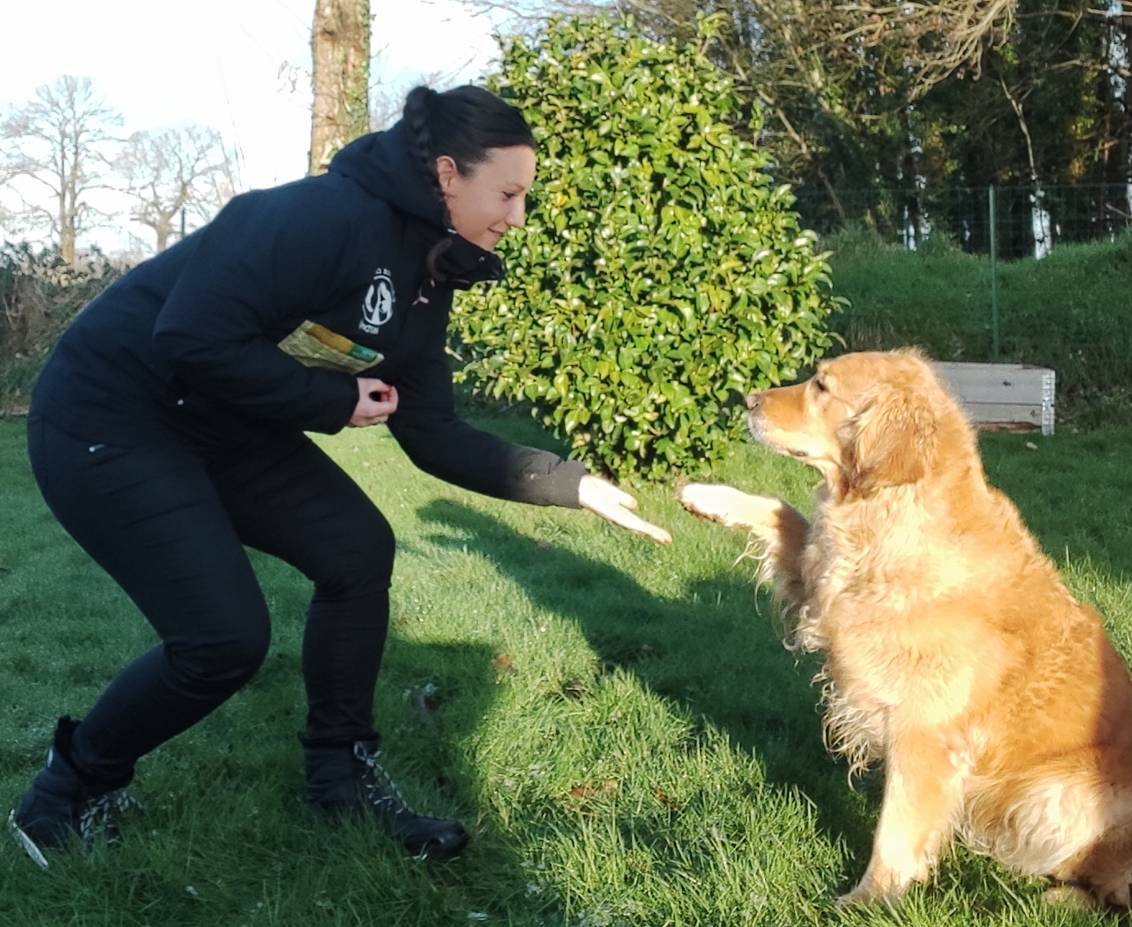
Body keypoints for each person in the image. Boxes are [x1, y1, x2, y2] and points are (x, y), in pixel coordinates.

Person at [8, 84, 671, 869]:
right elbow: (188, 334)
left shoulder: (428, 275)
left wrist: (575, 483)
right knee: (223, 637)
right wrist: (329, 398)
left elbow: (433, 435)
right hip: (110, 416)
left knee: (356, 548)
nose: (517, 217)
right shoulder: (321, 216)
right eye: (510, 193)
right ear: (450, 173)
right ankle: (67, 786)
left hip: (223, 424)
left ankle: (339, 773)